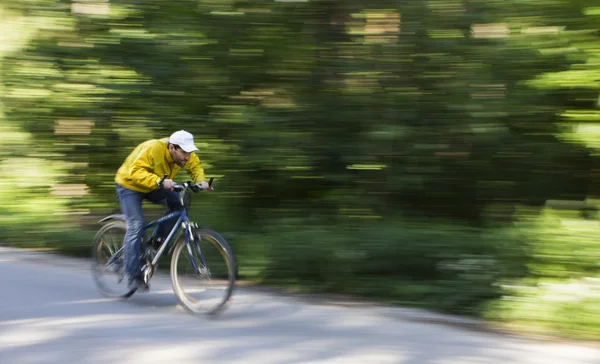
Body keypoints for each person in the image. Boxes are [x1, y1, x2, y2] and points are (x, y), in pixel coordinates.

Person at [114, 130, 210, 290]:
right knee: (136, 225)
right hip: (129, 186)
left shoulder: (186, 155)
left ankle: (156, 242)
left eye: (189, 153)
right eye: (184, 153)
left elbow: (195, 166)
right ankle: (133, 274)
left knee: (179, 206)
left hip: (154, 186)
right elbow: (135, 172)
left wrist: (201, 181)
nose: (187, 157)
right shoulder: (153, 148)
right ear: (172, 147)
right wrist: (158, 181)